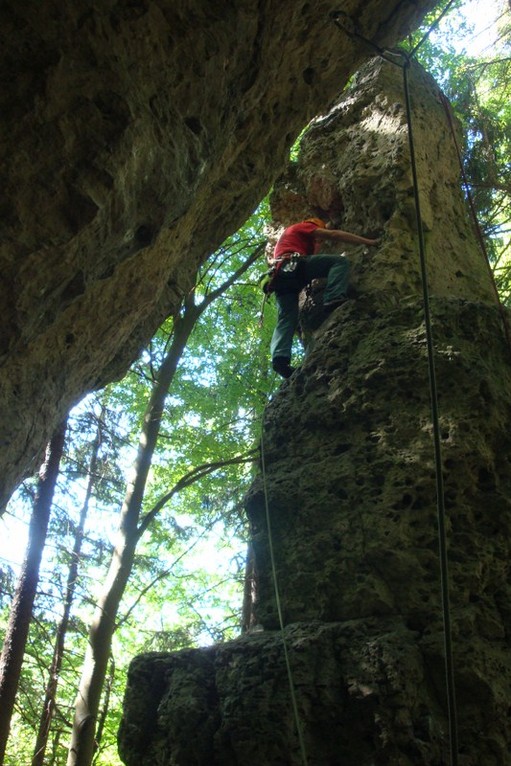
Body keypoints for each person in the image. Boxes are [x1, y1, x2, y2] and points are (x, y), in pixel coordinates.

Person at [269, 217, 379, 378]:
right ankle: (333, 297)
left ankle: (279, 359)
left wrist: (327, 227)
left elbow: (318, 244)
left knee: (287, 318)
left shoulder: (294, 240)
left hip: (280, 277)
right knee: (339, 262)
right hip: (294, 267)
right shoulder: (302, 227)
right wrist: (368, 242)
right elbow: (334, 235)